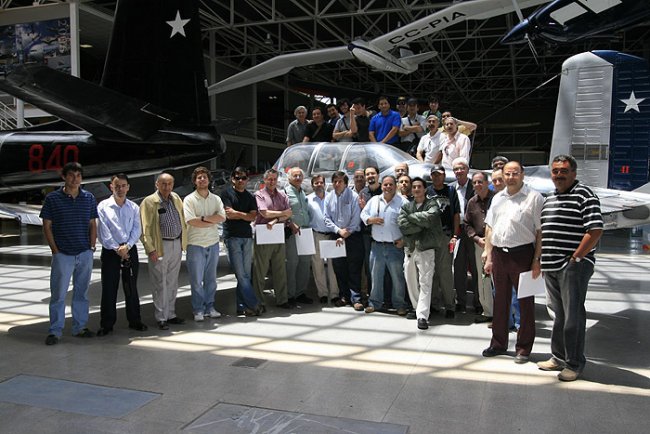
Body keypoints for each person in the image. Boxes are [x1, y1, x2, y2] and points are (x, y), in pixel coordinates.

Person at [538, 155, 603, 381]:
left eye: (564, 171)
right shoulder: (550, 197)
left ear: (574, 173)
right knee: (558, 315)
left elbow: (595, 230)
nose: (559, 175)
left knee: (573, 316)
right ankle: (558, 357)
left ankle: (574, 364)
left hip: (572, 265)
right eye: (555, 171)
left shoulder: (584, 195)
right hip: (552, 265)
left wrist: (576, 258)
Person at [482, 161, 544, 364]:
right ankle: (498, 343)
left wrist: (537, 260)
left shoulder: (534, 198)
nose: (510, 177)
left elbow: (540, 232)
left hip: (523, 255)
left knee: (525, 304)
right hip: (500, 255)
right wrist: (488, 255)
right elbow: (490, 228)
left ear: (522, 174)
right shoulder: (498, 198)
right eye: (507, 174)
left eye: (515, 173)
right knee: (500, 301)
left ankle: (523, 348)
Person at [41, 162, 98, 345]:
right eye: (71, 175)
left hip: (84, 253)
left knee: (82, 292)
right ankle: (55, 331)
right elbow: (47, 226)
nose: (75, 179)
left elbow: (92, 224)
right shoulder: (52, 198)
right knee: (58, 294)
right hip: (63, 254)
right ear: (64, 177)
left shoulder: (88, 198)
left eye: (78, 175)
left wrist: (91, 247)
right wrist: (55, 250)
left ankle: (80, 327)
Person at [96, 173, 147, 336]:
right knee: (109, 287)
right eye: (117, 186)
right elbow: (103, 231)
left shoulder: (134, 207)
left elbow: (137, 229)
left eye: (123, 186)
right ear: (111, 186)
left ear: (128, 187)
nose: (120, 189)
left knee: (131, 286)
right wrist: (117, 249)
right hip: (111, 252)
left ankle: (135, 320)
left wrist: (128, 246)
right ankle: (107, 324)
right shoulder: (103, 206)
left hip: (129, 249)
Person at [140, 172, 187, 330]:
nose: (167, 187)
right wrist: (150, 249)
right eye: (163, 184)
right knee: (160, 283)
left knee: (172, 282)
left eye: (169, 184)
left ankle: (171, 314)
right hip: (161, 246)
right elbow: (145, 228)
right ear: (157, 185)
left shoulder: (176, 198)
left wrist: (183, 242)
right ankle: (161, 317)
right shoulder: (149, 202)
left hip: (176, 244)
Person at [398, 177, 444, 329]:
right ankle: (417, 307)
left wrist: (412, 219)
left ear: (425, 189)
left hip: (426, 248)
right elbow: (403, 226)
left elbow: (429, 219)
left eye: (419, 187)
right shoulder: (406, 206)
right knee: (410, 280)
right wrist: (421, 224)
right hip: (410, 248)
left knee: (425, 282)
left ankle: (422, 316)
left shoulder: (432, 204)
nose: (416, 189)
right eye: (414, 187)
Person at [183, 166, 226, 322]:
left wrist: (202, 218)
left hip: (213, 243)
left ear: (209, 180)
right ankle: (198, 309)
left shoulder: (216, 199)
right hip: (195, 244)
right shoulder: (189, 199)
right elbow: (191, 221)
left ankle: (210, 307)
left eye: (204, 177)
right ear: (194, 181)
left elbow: (222, 217)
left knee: (211, 279)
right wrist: (210, 220)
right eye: (199, 177)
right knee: (196, 281)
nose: (202, 180)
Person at [361, 175, 408, 316]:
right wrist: (370, 220)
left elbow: (411, 223)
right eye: (385, 185)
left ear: (395, 186)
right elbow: (363, 214)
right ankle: (374, 303)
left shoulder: (403, 202)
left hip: (395, 247)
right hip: (377, 247)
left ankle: (399, 305)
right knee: (376, 277)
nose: (388, 187)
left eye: (390, 184)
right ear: (382, 186)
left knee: (398, 278)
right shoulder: (374, 200)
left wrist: (404, 240)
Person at [220, 167, 262, 316]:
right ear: (232, 179)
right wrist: (245, 215)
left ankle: (242, 306)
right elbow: (229, 215)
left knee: (246, 275)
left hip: (247, 237)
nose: (240, 180)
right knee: (241, 274)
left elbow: (253, 217)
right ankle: (254, 304)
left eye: (243, 178)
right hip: (232, 237)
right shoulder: (226, 193)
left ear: (247, 180)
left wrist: (237, 213)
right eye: (237, 178)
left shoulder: (250, 197)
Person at [253, 169, 292, 309]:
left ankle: (282, 299)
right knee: (260, 270)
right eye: (269, 179)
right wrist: (282, 214)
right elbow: (264, 213)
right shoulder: (259, 195)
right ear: (264, 180)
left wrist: (275, 219)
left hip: (278, 233)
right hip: (263, 233)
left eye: (274, 179)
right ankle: (259, 301)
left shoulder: (282, 195)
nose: (272, 181)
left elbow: (289, 214)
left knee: (280, 268)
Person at [324, 171, 364, 307]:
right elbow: (326, 218)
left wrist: (347, 232)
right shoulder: (329, 197)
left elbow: (356, 218)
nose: (337, 184)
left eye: (340, 181)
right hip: (336, 235)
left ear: (346, 183)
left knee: (354, 268)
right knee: (339, 268)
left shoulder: (353, 196)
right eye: (335, 181)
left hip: (353, 236)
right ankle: (344, 297)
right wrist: (338, 231)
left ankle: (356, 299)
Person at [426, 164, 460, 318]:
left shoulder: (451, 191)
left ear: (444, 176)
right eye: (434, 174)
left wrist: (455, 235)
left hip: (445, 235)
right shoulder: (427, 191)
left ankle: (449, 305)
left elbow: (456, 215)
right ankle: (433, 304)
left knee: (445, 271)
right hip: (429, 236)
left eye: (439, 174)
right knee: (431, 271)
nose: (436, 177)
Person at [464, 171, 495, 324]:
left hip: (496, 245)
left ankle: (504, 314)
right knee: (483, 280)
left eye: (480, 182)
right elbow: (467, 223)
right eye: (474, 182)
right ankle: (488, 311)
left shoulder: (496, 199)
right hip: (480, 244)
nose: (477, 185)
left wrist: (490, 240)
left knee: (499, 279)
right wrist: (476, 238)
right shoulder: (471, 202)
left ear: (487, 183)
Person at [450, 157, 478, 313]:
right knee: (459, 268)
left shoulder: (475, 186)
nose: (459, 171)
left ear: (467, 170)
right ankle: (460, 301)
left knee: (475, 267)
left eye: (462, 168)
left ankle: (478, 301)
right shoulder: (450, 188)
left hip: (473, 231)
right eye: (456, 169)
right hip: (457, 231)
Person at [284, 167, 314, 306]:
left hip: (305, 231)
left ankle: (300, 293)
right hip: (292, 232)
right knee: (292, 263)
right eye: (295, 176)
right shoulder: (285, 192)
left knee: (305, 263)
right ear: (289, 178)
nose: (297, 178)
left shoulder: (303, 192)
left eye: (299, 176)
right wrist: (290, 224)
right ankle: (290, 295)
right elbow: (282, 211)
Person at [307, 174, 339, 304]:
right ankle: (323, 293)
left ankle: (335, 293)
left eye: (321, 182)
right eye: (316, 183)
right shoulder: (308, 199)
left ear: (324, 184)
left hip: (331, 235)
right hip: (316, 235)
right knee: (317, 266)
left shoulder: (333, 197)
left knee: (333, 266)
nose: (319, 185)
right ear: (312, 185)